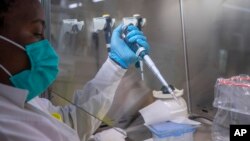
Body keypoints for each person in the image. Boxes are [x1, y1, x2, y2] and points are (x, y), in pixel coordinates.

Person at [0, 0, 150, 141]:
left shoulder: (24, 99)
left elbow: (69, 124)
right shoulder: (7, 129)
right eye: (37, 33)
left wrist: (116, 65)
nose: (46, 45)